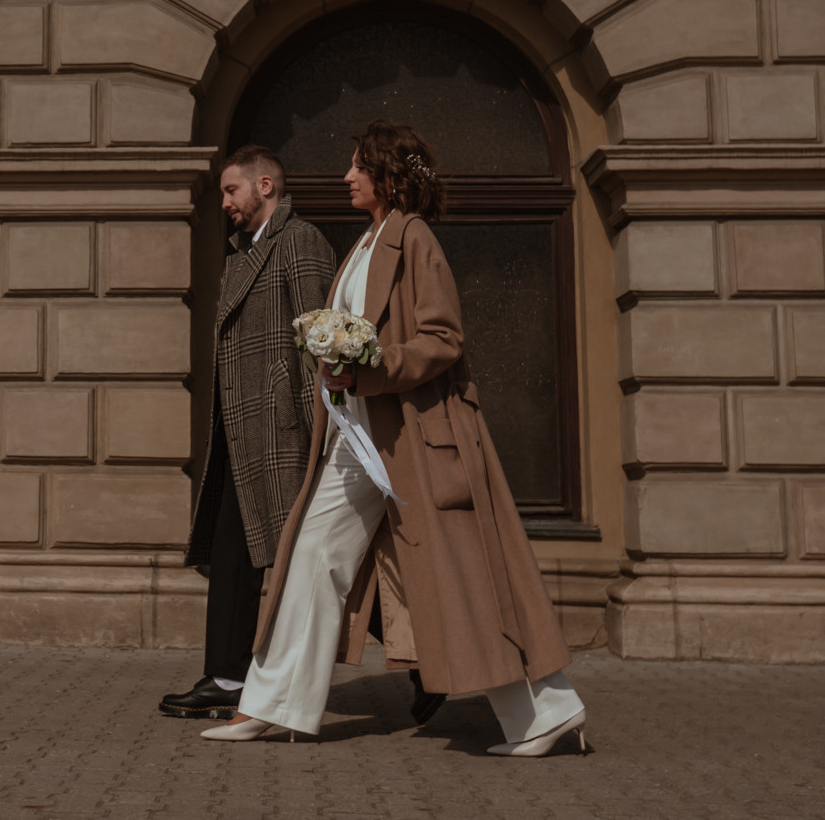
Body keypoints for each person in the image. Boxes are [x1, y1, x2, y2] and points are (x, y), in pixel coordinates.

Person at [201, 121, 587, 757]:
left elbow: (443, 339)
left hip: (415, 439)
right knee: (312, 558)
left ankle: (549, 710)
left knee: (466, 577)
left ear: (385, 175)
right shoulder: (366, 242)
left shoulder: (414, 238)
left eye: (357, 167)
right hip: (358, 438)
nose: (346, 177)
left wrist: (372, 366)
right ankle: (275, 705)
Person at [160, 145, 336, 720]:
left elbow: (321, 339)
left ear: (265, 185)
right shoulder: (243, 253)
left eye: (232, 191)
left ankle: (425, 657)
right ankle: (227, 676)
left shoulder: (300, 240)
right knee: (235, 551)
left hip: (285, 431)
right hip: (243, 432)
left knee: (323, 557)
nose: (226, 203)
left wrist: (320, 434)